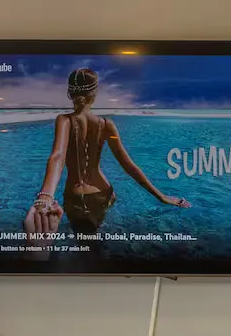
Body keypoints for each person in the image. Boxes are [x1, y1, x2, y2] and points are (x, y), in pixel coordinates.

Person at [24, 67, 190, 242]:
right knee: (95, 239)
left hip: (76, 198)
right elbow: (128, 165)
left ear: (70, 93)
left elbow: (57, 156)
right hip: (104, 194)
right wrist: (161, 196)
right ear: (94, 94)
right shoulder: (106, 125)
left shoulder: (64, 120)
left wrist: (45, 196)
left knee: (84, 244)